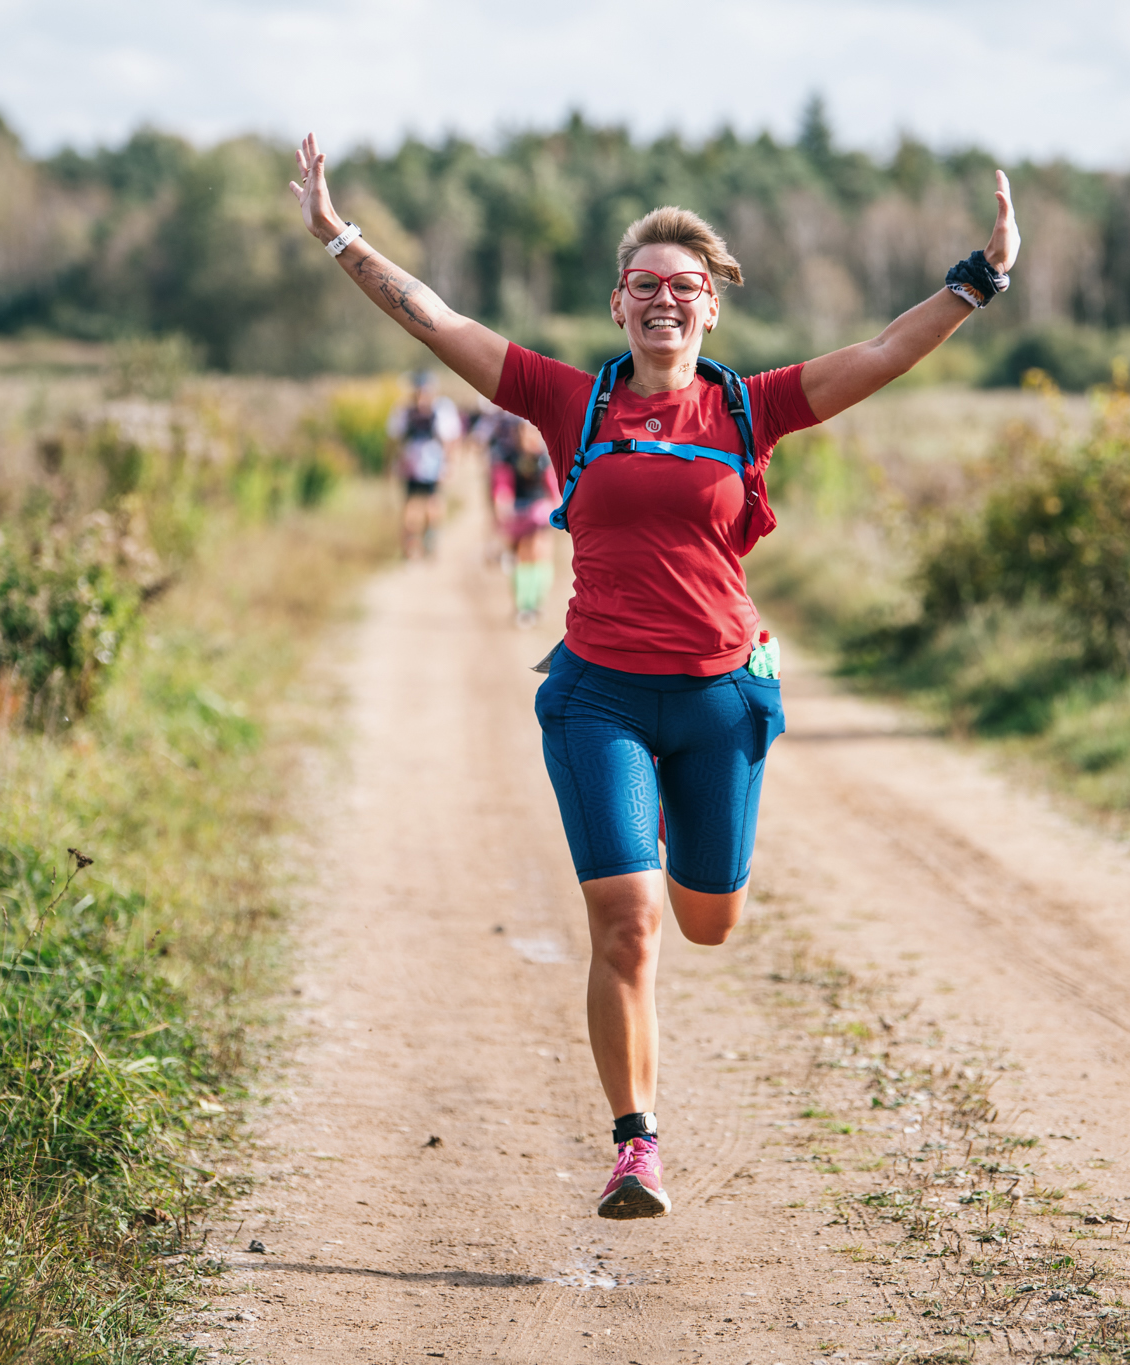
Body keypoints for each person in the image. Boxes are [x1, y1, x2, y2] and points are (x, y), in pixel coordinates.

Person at [291, 134, 1019, 1219]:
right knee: (626, 923)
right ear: (618, 302)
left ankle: (680, 823)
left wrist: (976, 280)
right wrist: (339, 235)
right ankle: (636, 1144)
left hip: (721, 697)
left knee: (708, 922)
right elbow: (435, 319)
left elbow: (875, 354)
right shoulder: (564, 402)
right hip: (601, 697)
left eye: (684, 286)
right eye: (644, 286)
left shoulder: (748, 409)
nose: (664, 302)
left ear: (709, 307)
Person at [485, 413, 558, 624]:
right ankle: (523, 604)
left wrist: (557, 508)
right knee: (523, 554)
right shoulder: (508, 457)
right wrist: (502, 508)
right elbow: (503, 487)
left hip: (539, 510)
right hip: (518, 512)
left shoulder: (543, 458)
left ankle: (535, 603)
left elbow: (552, 486)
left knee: (540, 551)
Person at [386, 371, 461, 558]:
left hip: (433, 467)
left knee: (432, 507)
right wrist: (390, 464)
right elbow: (393, 441)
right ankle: (409, 546)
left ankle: (429, 539)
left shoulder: (441, 411)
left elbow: (450, 441)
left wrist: (449, 465)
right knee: (410, 507)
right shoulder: (403, 412)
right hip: (411, 467)